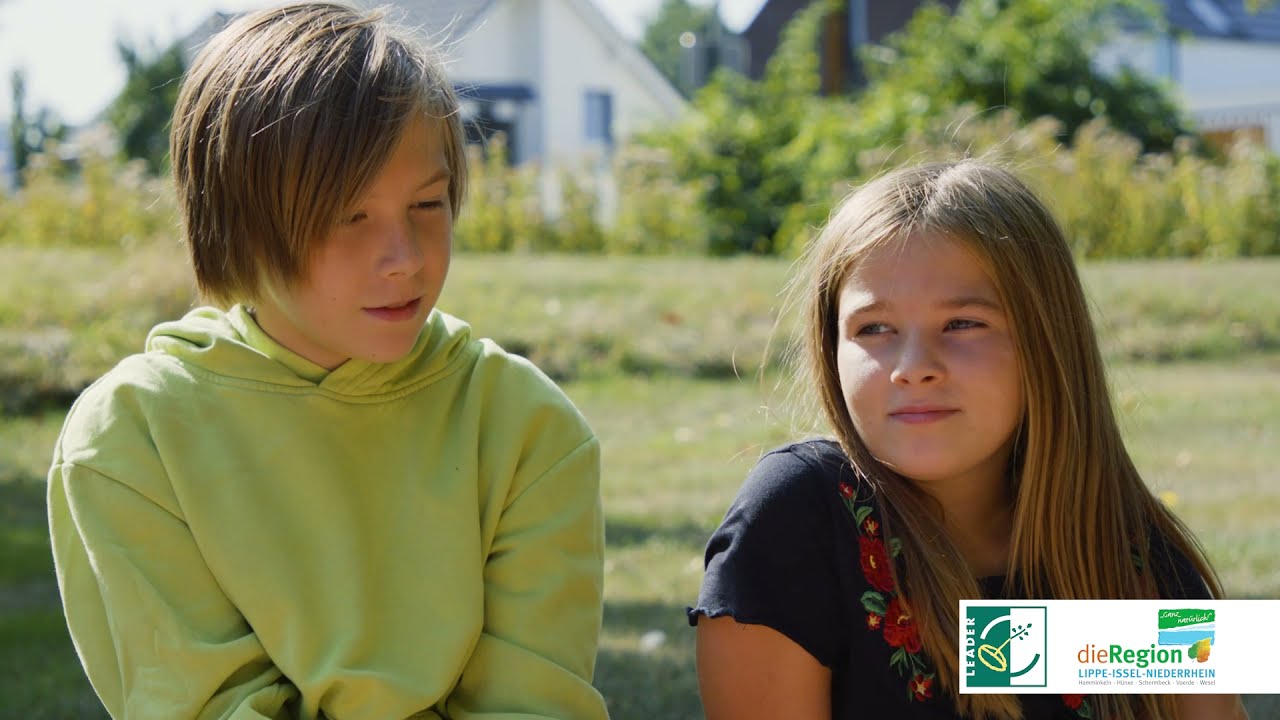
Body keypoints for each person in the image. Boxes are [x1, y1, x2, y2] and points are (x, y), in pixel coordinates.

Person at [47, 3, 607, 718]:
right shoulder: (131, 438)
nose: (404, 259)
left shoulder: (527, 428)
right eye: (349, 215)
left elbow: (535, 705)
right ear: (234, 218)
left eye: (429, 204)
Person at [688, 161, 1248, 720]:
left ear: (1049, 342)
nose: (913, 368)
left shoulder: (1116, 543)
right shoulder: (802, 514)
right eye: (873, 328)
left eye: (962, 324)